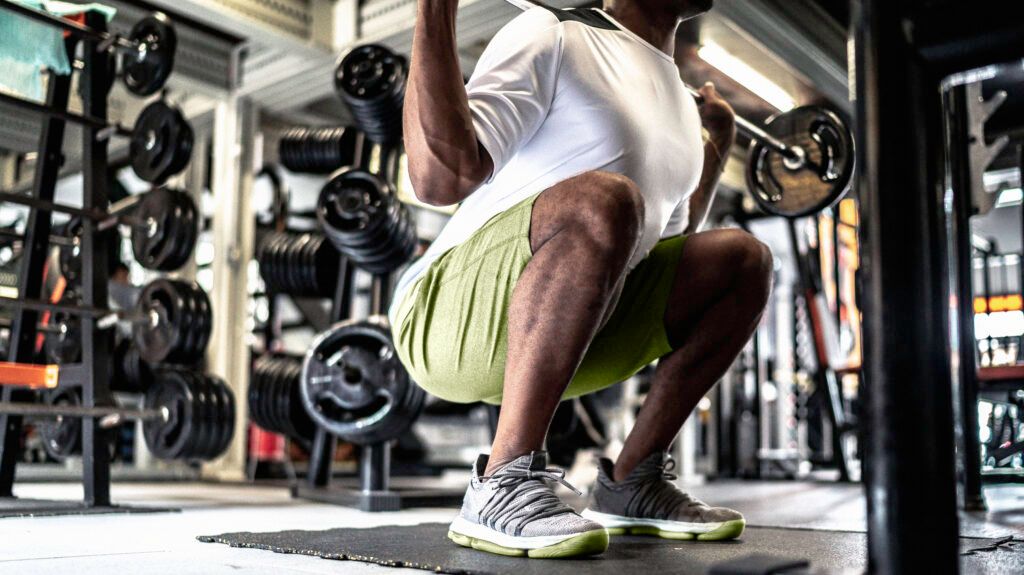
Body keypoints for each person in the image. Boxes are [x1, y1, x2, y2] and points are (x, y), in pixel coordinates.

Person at [391, 0, 773, 558]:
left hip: (571, 330)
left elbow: (665, 242)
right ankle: (500, 484)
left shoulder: (678, 100)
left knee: (743, 260)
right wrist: (435, 11)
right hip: (443, 321)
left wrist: (714, 144)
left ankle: (632, 483)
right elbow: (439, 177)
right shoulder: (556, 32)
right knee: (607, 201)